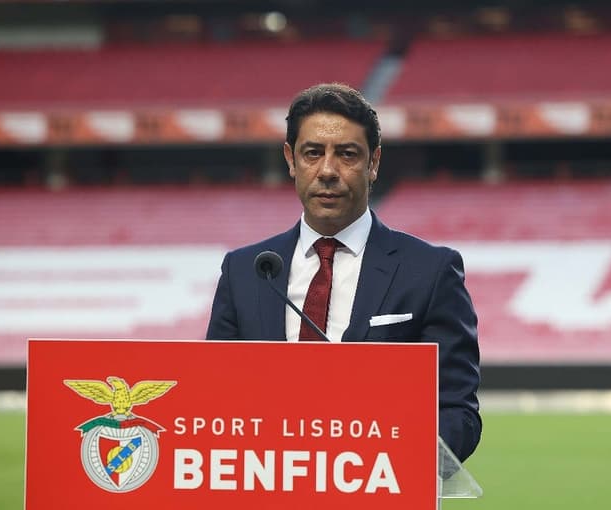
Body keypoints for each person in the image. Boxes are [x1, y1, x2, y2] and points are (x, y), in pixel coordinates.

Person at [206, 83, 481, 462]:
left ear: (374, 163)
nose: (328, 171)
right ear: (291, 160)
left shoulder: (431, 271)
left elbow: (457, 411)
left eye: (347, 155)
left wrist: (396, 465)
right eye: (313, 153)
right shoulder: (244, 271)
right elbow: (213, 400)